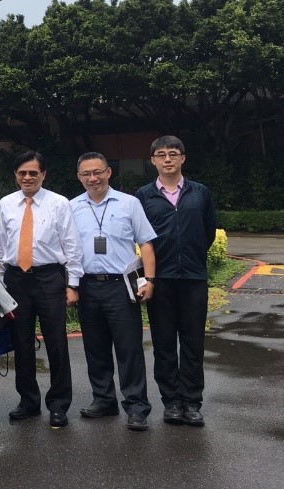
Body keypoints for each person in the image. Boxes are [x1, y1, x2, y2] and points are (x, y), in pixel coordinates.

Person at [70, 152, 156, 431]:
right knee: (95, 348)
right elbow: (67, 249)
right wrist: (70, 285)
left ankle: (137, 407)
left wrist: (149, 280)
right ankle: (104, 400)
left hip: (121, 286)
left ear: (109, 172)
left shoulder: (129, 203)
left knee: (129, 348)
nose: (93, 178)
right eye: (86, 174)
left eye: (98, 172)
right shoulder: (71, 207)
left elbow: (146, 243)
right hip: (87, 285)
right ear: (79, 177)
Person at [0, 150, 83, 428]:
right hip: (16, 280)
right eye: (22, 173)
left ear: (43, 174)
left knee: (56, 342)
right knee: (21, 342)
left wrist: (73, 284)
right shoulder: (6, 203)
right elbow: (2, 247)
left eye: (33, 172)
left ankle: (58, 404)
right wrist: (0, 284)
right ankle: (28, 401)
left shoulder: (59, 203)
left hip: (49, 278)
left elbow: (72, 245)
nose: (27, 177)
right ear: (15, 175)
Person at [136, 136, 216, 427]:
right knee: (164, 343)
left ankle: (192, 402)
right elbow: (140, 236)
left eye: (173, 153)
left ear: (183, 158)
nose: (167, 159)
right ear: (153, 160)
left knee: (193, 343)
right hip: (161, 280)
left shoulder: (200, 192)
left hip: (193, 278)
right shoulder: (143, 196)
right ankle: (171, 402)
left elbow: (208, 232)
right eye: (161, 154)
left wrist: (190, 257)